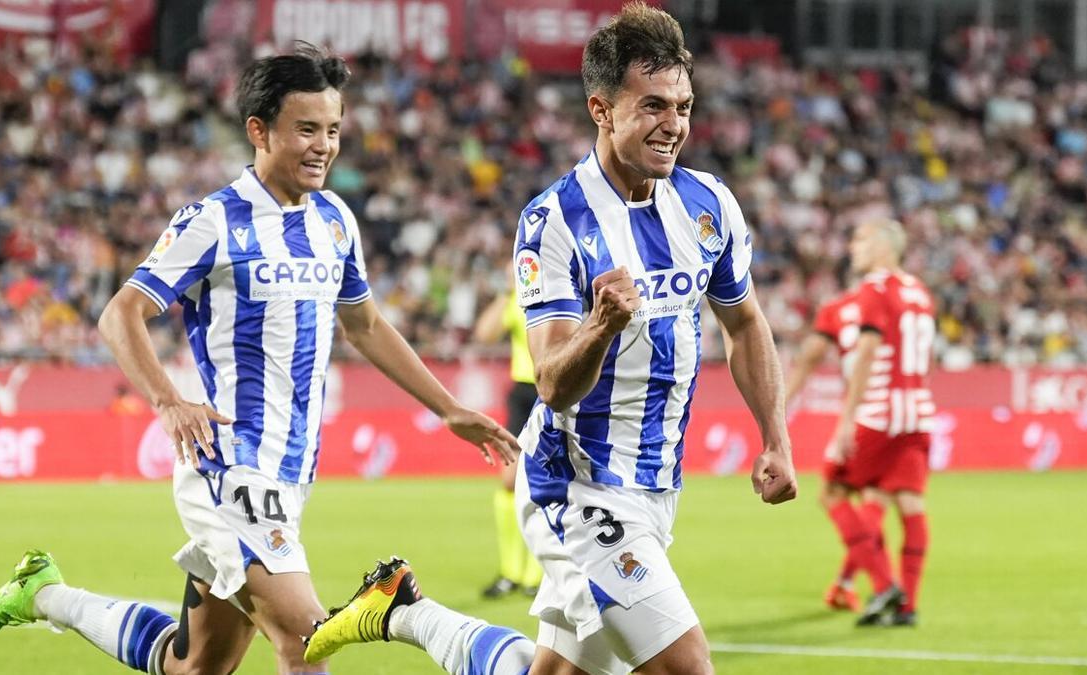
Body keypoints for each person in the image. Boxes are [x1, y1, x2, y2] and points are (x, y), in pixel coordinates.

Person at [0, 43, 517, 674]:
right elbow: (120, 314)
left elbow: (363, 323)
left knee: (194, 665)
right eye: (306, 129)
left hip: (291, 472)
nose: (324, 145)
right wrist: (169, 401)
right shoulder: (213, 221)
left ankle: (45, 594)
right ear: (260, 130)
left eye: (333, 129)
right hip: (229, 463)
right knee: (308, 641)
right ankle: (401, 613)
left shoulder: (334, 219)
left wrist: (448, 408)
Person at [302, 4, 797, 674]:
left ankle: (402, 610)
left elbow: (744, 322)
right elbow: (553, 382)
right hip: (578, 485)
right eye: (652, 105)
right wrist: (601, 324)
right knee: (686, 666)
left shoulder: (709, 204)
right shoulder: (554, 221)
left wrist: (776, 435)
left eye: (682, 105)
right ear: (601, 108)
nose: (674, 124)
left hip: (655, 485)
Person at [828, 218, 936, 627]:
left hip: (880, 413)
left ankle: (884, 583)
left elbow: (867, 355)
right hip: (919, 412)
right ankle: (907, 606)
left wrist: (846, 420)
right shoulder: (920, 292)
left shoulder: (875, 290)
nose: (857, 249)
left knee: (834, 493)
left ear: (885, 248)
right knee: (907, 503)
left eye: (864, 241)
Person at [785, 288, 896, 613]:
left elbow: (809, 357)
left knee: (833, 494)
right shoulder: (901, 298)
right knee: (875, 501)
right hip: (905, 412)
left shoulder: (836, 309)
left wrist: (779, 406)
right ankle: (846, 585)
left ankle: (884, 586)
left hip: (868, 413)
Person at [471, 266, 545, 599]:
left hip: (553, 391)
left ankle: (536, 573)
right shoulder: (518, 299)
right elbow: (484, 334)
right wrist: (508, 291)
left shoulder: (559, 292)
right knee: (509, 481)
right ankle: (511, 571)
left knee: (546, 483)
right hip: (523, 394)